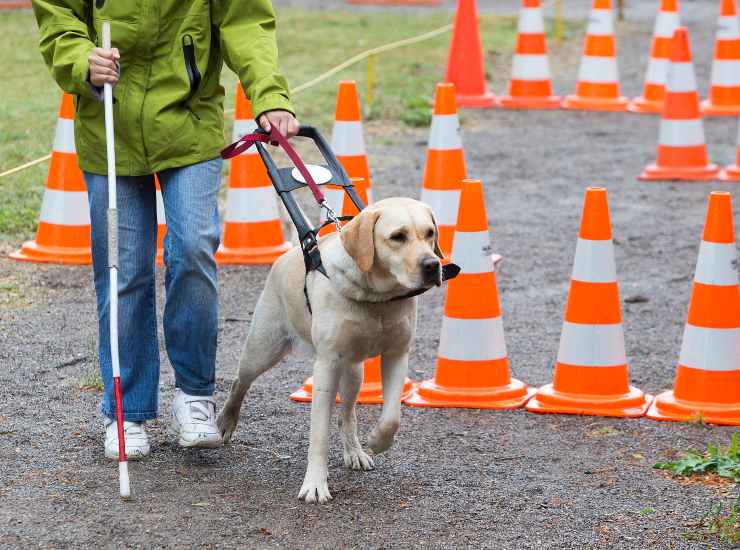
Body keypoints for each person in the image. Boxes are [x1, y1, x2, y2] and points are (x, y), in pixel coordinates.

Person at [32, 0, 299, 459]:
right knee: (126, 271)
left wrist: (269, 95)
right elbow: (58, 18)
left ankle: (195, 397)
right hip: (108, 126)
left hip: (189, 125)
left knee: (193, 248)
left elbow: (245, 21)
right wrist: (82, 61)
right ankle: (126, 411)